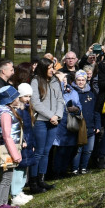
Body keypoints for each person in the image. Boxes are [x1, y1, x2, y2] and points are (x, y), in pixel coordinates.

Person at [0, 86, 25, 208]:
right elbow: (6, 136)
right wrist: (15, 155)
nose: (18, 99)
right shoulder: (5, 114)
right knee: (6, 178)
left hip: (11, 148)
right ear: (10, 100)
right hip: (7, 151)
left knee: (8, 178)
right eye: (16, 97)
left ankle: (3, 204)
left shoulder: (10, 111)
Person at [30, 58, 64, 192]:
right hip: (41, 121)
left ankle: (41, 180)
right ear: (43, 68)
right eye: (50, 68)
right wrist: (51, 116)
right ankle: (33, 182)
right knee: (38, 152)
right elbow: (35, 103)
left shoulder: (55, 81)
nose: (53, 70)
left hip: (54, 121)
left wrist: (57, 115)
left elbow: (60, 99)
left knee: (46, 151)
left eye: (53, 67)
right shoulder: (36, 81)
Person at [69, 70, 98, 175]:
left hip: (90, 125)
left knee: (89, 149)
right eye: (79, 80)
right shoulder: (72, 93)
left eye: (83, 80)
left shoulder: (91, 94)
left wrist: (97, 125)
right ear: (75, 80)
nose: (81, 82)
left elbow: (96, 111)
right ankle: (75, 169)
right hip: (78, 126)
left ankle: (84, 168)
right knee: (78, 149)